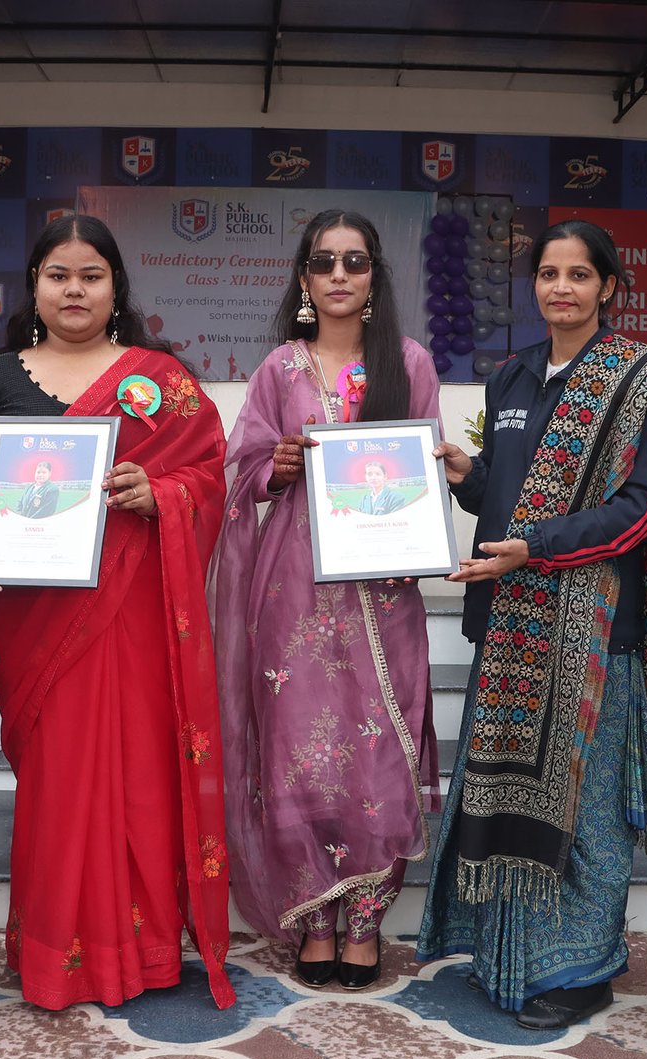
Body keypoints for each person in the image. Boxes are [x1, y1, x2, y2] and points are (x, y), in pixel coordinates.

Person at [0, 215, 234, 1011]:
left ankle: (142, 951)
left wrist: (160, 492)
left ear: (116, 287)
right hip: (39, 617)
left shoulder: (160, 381)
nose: (74, 290)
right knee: (61, 780)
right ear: (34, 287)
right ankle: (58, 955)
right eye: (58, 275)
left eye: (91, 275)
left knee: (138, 773)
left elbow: (211, 477)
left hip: (132, 616)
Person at [416, 219, 647, 1028]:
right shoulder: (512, 376)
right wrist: (469, 477)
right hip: (511, 625)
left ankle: (584, 967)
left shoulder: (640, 378)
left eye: (578, 274)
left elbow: (643, 506)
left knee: (588, 809)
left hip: (596, 631)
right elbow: (506, 491)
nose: (561, 288)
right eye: (548, 273)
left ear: (609, 286)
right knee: (505, 799)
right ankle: (512, 958)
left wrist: (535, 547)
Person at [214, 209, 441, 990]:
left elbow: (421, 467)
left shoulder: (408, 363)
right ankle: (315, 920)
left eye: (354, 261)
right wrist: (274, 468)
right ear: (304, 278)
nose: (339, 275)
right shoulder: (280, 368)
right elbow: (238, 465)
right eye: (323, 262)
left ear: (374, 276)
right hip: (295, 591)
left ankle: (366, 921)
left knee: (379, 750)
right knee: (298, 752)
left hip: (383, 592)